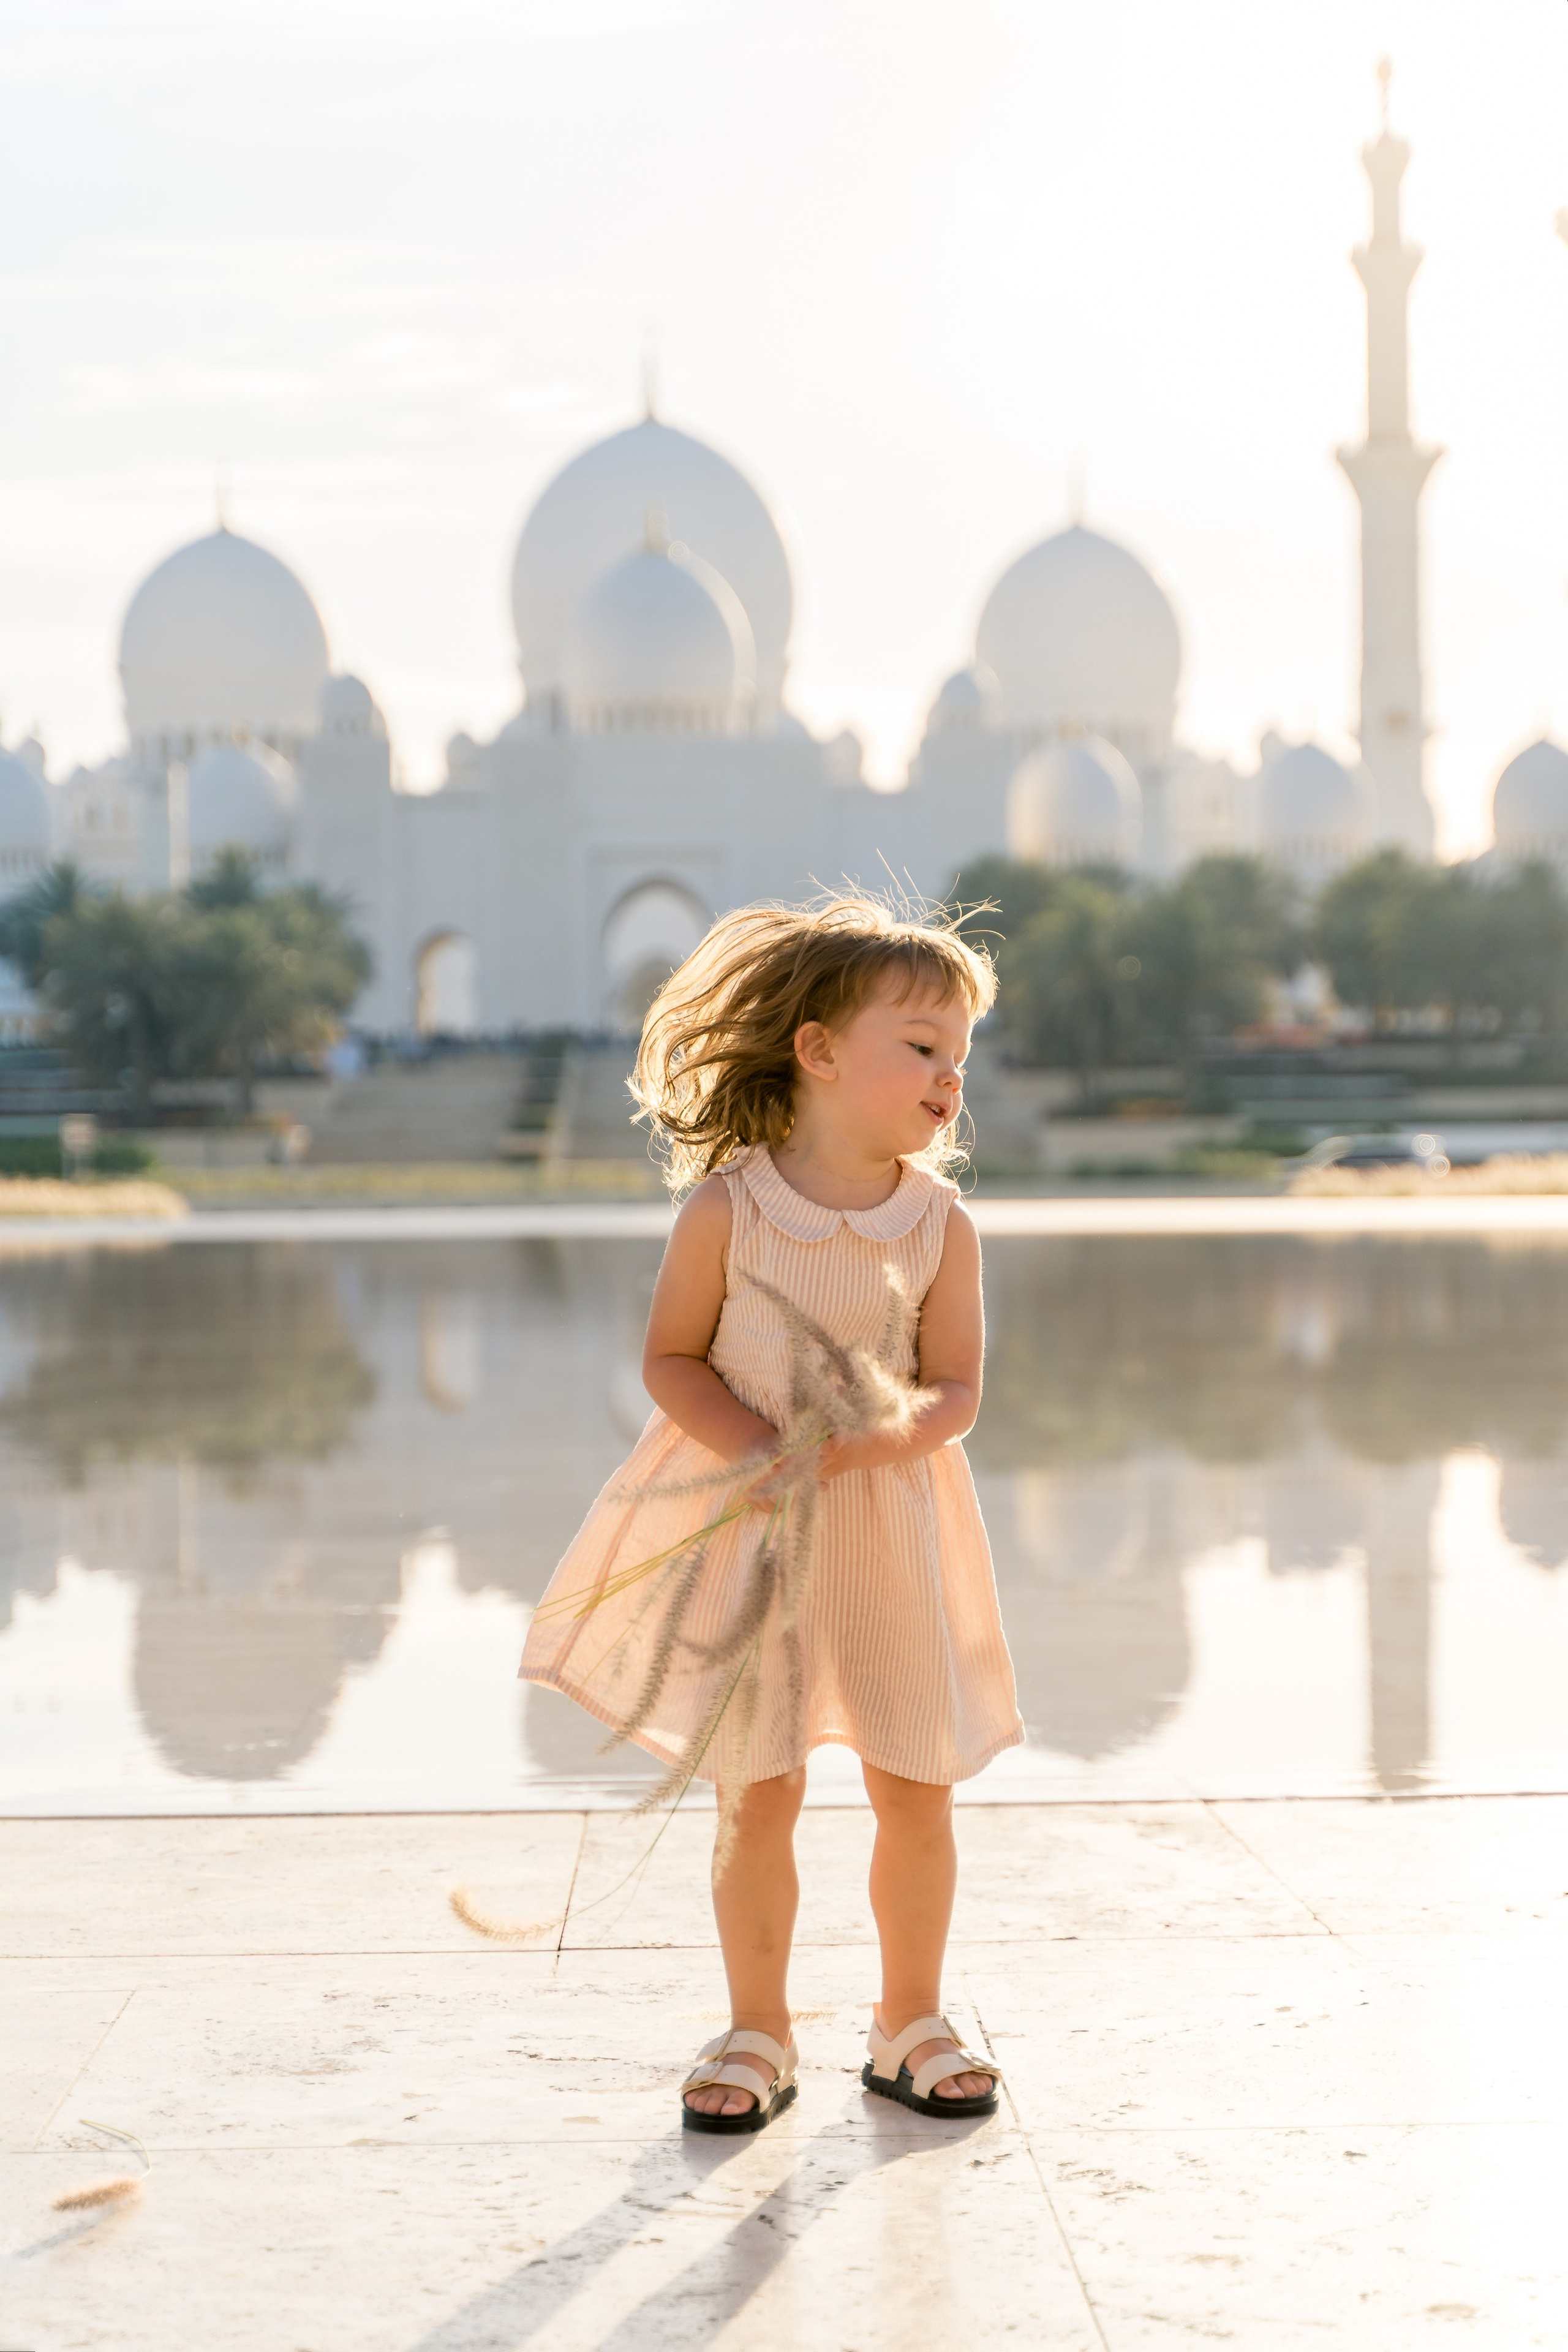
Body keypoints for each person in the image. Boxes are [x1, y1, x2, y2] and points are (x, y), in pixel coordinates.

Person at [520, 895, 1022, 2133]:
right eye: (921, 1046)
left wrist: (867, 1442)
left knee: (917, 1785)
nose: (948, 1077)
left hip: (889, 1530)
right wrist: (758, 1446)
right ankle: (758, 2027)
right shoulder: (726, 1212)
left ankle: (909, 2020)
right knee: (758, 1790)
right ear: (817, 1050)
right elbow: (670, 1359)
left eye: (959, 1056)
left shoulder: (938, 1224)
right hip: (755, 1536)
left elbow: (956, 1391)